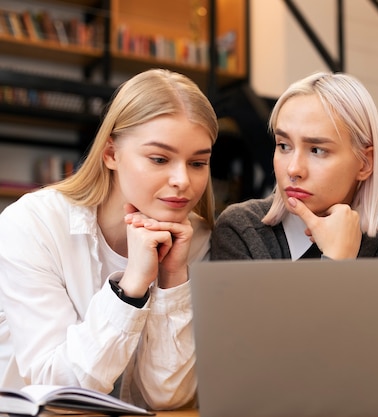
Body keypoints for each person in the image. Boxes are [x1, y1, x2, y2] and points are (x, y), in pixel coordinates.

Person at [0, 69, 218, 409]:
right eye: (159, 159)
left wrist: (173, 278)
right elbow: (56, 389)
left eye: (198, 162)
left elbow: (167, 396)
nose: (182, 180)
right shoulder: (33, 224)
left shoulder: (197, 238)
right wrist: (131, 288)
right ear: (111, 154)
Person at [210, 72, 378, 260]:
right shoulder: (242, 230)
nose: (293, 169)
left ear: (365, 163)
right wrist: (336, 264)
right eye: (284, 146)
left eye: (317, 150)